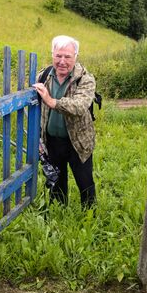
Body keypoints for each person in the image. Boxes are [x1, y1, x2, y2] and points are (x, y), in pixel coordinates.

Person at [32, 35, 97, 208]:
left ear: (75, 56)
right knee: (57, 181)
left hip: (78, 141)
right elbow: (33, 105)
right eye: (58, 56)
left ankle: (89, 216)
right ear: (52, 54)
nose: (62, 61)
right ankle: (59, 213)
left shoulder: (85, 79)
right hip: (52, 140)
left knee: (85, 182)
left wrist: (52, 101)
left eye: (67, 56)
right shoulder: (43, 76)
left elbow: (80, 106)